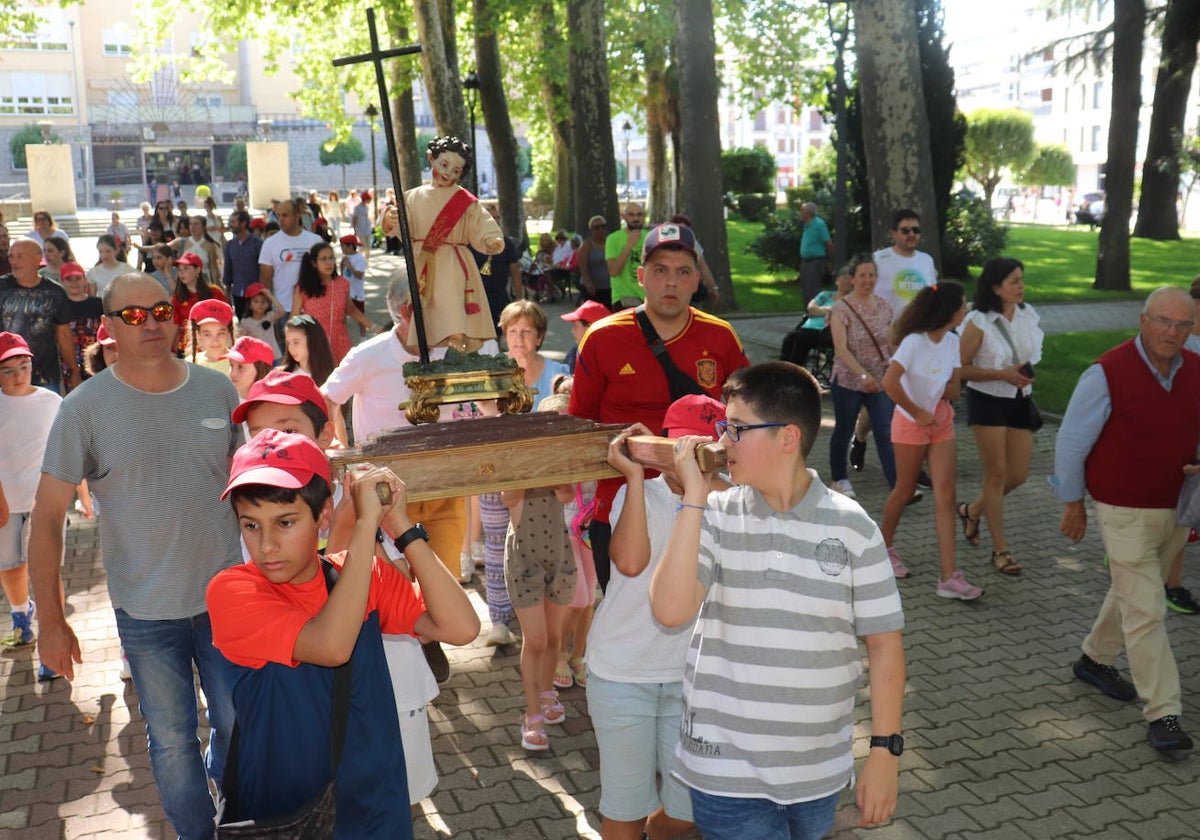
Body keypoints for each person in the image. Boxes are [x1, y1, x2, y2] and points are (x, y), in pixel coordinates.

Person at [649, 361, 906, 839]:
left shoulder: (853, 527)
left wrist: (884, 751)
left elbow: (885, 645)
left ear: (788, 437)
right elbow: (669, 610)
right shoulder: (715, 515)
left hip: (818, 772)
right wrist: (694, 500)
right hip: (725, 770)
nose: (722, 442)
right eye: (723, 427)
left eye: (737, 428)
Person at [28, 272, 243, 840]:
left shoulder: (217, 389)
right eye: (132, 316)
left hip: (227, 598)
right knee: (173, 739)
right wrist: (51, 620)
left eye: (160, 309)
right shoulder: (83, 409)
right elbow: (47, 518)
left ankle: (238, 815)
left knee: (238, 725)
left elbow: (253, 489)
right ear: (109, 327)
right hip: (146, 611)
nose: (150, 323)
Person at [207, 429, 478, 836]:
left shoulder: (359, 574)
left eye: (285, 522)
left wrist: (400, 524)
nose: (266, 546)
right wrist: (367, 525)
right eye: (251, 524)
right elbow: (332, 645)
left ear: (324, 515)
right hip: (286, 813)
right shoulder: (232, 590)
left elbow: (461, 627)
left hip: (375, 803)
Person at [1053, 286, 1200, 754]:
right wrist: (1072, 503)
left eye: (1183, 325)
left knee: (1132, 588)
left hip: (1176, 506)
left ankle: (1095, 660)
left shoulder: (1197, 370)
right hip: (1121, 507)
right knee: (1147, 608)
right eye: (1163, 322)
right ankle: (1164, 713)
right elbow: (1071, 445)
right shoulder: (1106, 372)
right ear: (1142, 320)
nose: (1172, 333)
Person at [569, 223, 749, 593]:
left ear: (696, 280)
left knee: (706, 622)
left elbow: (748, 419)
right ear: (640, 277)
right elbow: (580, 425)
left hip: (704, 505)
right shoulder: (602, 337)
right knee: (625, 618)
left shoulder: (720, 336)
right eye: (660, 270)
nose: (672, 282)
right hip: (623, 508)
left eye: (683, 271)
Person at [591, 394, 730, 840]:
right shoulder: (640, 494)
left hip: (691, 678)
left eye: (709, 452)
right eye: (687, 451)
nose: (698, 465)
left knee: (689, 809)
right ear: (662, 446)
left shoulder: (730, 502)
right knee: (624, 809)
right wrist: (633, 476)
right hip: (622, 674)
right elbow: (629, 563)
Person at [878, 283, 982, 599]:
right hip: (911, 423)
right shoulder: (913, 342)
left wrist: (948, 394)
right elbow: (889, 382)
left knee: (946, 496)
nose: (966, 311)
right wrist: (918, 411)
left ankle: (949, 578)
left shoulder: (952, 341)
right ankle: (883, 548)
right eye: (963, 306)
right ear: (949, 312)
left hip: (942, 423)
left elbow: (952, 384)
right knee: (905, 490)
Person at [958, 257, 1045, 575]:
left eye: (1022, 280)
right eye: (1014, 281)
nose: (1021, 287)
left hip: (1020, 400)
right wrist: (1001, 374)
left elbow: (1028, 357)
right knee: (996, 475)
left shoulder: (1028, 315)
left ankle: (972, 510)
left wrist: (1021, 375)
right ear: (995, 288)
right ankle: (1001, 551)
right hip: (988, 401)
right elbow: (960, 368)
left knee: (1018, 475)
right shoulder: (978, 321)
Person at [503, 397, 579, 752]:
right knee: (533, 640)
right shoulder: (520, 468)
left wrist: (556, 462)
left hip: (558, 555)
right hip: (525, 562)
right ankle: (531, 712)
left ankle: (546, 691)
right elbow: (509, 494)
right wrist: (527, 461)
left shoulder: (561, 471)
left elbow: (565, 493)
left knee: (552, 638)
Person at [397, 136, 505, 353]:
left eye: (456, 170)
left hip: (453, 261)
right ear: (431, 158)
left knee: (452, 300)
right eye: (444, 165)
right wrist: (391, 221)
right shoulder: (412, 197)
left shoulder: (465, 201)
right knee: (429, 305)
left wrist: (489, 238)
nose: (448, 173)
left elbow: (480, 222)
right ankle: (428, 340)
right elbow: (403, 227)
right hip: (422, 260)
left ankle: (457, 335)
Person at [0, 332, 63, 678]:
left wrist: (78, 495)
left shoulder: (51, 402)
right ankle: (21, 615)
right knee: (10, 566)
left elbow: (66, 450)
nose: (17, 375)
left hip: (45, 503)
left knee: (46, 571)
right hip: (5, 501)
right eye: (7, 370)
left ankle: (51, 650)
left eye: (23, 366)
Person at [828, 254, 897, 498]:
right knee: (844, 428)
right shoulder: (841, 308)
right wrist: (862, 375)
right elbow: (841, 348)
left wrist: (895, 365)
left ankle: (897, 485)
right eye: (863, 275)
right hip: (848, 380)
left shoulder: (883, 306)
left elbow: (889, 341)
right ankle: (839, 479)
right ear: (852, 278)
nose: (868, 280)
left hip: (878, 381)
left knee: (885, 430)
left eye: (872, 275)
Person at [0, 239, 81, 392]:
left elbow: (63, 335)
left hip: (45, 376)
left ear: (38, 258)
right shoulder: (2, 288)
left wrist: (74, 369)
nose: (14, 261)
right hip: (6, 375)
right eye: (11, 256)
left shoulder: (55, 292)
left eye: (20, 256)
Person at [291, 242, 378, 363]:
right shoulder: (302, 288)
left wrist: (374, 327)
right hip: (315, 343)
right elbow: (294, 319)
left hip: (340, 340)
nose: (329, 262)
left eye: (331, 258)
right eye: (324, 259)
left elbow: (351, 309)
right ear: (314, 263)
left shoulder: (342, 283)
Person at [258, 197, 324, 333]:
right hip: (283, 310)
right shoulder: (270, 243)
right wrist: (268, 309)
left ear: (297, 215)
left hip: (313, 308)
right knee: (286, 352)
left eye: (285, 215)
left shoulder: (315, 241)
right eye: (279, 215)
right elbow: (265, 280)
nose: (281, 219)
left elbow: (325, 276)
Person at [500, 300, 570, 404]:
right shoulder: (492, 369)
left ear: (539, 337)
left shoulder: (557, 373)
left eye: (526, 331)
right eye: (513, 331)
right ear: (505, 335)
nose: (519, 338)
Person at [780, 264, 848, 369]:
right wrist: (828, 310)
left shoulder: (849, 300)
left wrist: (819, 311)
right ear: (837, 281)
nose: (845, 283)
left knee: (801, 339)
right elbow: (811, 307)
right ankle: (781, 370)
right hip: (807, 328)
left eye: (848, 281)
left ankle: (794, 372)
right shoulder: (826, 295)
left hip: (824, 331)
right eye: (843, 279)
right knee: (789, 338)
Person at [873, 208, 937, 319]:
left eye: (916, 230)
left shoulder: (927, 260)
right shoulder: (878, 259)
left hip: (920, 328)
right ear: (894, 233)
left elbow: (933, 290)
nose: (911, 234)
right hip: (887, 329)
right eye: (905, 231)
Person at [171, 251, 228, 356]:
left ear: (198, 270)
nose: (181, 273)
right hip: (187, 349)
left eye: (186, 268)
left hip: (214, 346)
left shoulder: (215, 292)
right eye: (179, 270)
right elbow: (175, 326)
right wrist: (171, 350)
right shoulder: (177, 298)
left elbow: (227, 320)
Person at [57, 261, 102, 386]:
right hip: (68, 361)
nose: (74, 283)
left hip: (95, 359)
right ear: (62, 281)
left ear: (85, 280)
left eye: (78, 278)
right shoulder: (59, 306)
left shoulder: (98, 304)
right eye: (69, 279)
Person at [605, 203, 647, 310]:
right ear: (624, 217)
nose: (635, 218)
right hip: (623, 299)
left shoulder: (650, 237)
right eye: (631, 215)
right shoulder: (613, 239)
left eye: (639, 215)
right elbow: (613, 271)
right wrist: (629, 245)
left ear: (644, 217)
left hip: (648, 298)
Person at [223, 209, 263, 317]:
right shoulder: (229, 245)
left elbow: (263, 269)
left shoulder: (257, 243)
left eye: (233, 222)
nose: (230, 225)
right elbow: (228, 271)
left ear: (243, 223)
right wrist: (227, 294)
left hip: (255, 294)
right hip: (237, 293)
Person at [282, 314, 336, 386]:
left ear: (313, 341)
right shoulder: (283, 376)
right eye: (288, 343)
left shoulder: (333, 378)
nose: (290, 348)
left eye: (296, 342)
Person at [236, 282, 284, 362]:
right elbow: (241, 337)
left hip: (273, 357)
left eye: (263, 301)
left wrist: (271, 296)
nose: (260, 304)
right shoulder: (246, 322)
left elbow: (282, 312)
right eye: (256, 301)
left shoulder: (269, 316)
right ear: (250, 305)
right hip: (258, 359)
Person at [560, 299, 611, 372]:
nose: (572, 331)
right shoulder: (576, 353)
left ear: (591, 329)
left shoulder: (612, 359)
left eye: (575, 326)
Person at [798, 201, 834, 306]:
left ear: (809, 212)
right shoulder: (806, 225)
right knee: (805, 289)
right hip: (806, 261)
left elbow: (829, 244)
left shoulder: (819, 224)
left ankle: (816, 313)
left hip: (816, 261)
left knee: (813, 289)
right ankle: (808, 314)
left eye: (802, 210)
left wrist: (829, 261)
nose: (800, 212)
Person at [186, 298, 235, 371]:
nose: (215, 341)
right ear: (198, 334)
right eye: (207, 334)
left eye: (221, 333)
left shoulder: (240, 364)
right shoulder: (189, 364)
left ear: (229, 332)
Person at [222, 335, 274, 399]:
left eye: (240, 367)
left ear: (261, 370)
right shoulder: (225, 400)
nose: (233, 373)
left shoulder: (271, 405)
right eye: (231, 365)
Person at [578, 214, 612, 308]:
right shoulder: (586, 246)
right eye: (597, 227)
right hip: (592, 288)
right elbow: (583, 266)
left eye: (603, 226)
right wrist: (588, 283)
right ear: (591, 230)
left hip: (609, 287)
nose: (601, 230)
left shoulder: (611, 243)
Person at [338, 233, 369, 333]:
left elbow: (359, 275)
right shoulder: (345, 258)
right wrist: (342, 267)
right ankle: (344, 336)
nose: (342, 249)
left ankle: (363, 338)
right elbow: (342, 276)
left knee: (360, 317)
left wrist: (349, 266)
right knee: (342, 316)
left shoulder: (360, 259)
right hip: (346, 292)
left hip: (357, 293)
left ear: (350, 246)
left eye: (343, 246)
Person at [87, 234, 131, 298]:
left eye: (108, 251)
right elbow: (93, 297)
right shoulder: (93, 272)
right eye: (101, 252)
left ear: (116, 250)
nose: (104, 255)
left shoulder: (128, 270)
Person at [351, 190, 373, 266]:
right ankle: (359, 259)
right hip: (360, 228)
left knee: (368, 246)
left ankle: (366, 261)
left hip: (367, 227)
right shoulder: (357, 208)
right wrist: (354, 229)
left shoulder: (367, 207)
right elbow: (354, 218)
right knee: (363, 246)